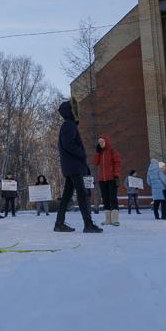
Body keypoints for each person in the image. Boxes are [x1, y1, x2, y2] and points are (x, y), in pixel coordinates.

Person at [53, 100, 102, 233]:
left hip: (72, 166)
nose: (77, 112)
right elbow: (68, 144)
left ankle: (59, 223)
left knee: (67, 196)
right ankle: (88, 224)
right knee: (82, 195)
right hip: (74, 166)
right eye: (75, 109)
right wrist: (82, 153)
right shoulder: (69, 125)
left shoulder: (69, 125)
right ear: (71, 111)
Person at [91, 135, 122, 227]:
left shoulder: (112, 151)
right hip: (102, 179)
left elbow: (117, 163)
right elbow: (95, 163)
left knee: (113, 198)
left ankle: (115, 219)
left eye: (102, 142)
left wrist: (116, 174)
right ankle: (108, 220)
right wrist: (97, 152)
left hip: (112, 178)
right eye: (99, 142)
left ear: (106, 142)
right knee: (105, 199)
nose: (101, 144)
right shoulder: (99, 153)